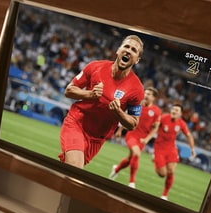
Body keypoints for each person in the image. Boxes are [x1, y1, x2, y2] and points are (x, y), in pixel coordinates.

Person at [58, 34, 145, 168]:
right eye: (126, 46)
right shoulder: (95, 67)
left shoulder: (137, 89)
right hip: (77, 123)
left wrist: (118, 111)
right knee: (75, 168)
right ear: (118, 50)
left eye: (134, 50)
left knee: (67, 170)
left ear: (137, 60)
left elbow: (133, 123)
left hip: (97, 138)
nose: (128, 50)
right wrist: (90, 94)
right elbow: (69, 90)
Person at [108, 86, 161, 187]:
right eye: (145, 93)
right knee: (136, 154)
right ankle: (132, 182)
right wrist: (120, 130)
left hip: (142, 139)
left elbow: (155, 128)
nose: (146, 95)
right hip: (132, 134)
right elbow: (127, 118)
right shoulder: (137, 105)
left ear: (154, 98)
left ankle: (116, 169)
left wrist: (147, 139)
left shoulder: (156, 111)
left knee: (130, 159)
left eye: (149, 94)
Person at [145, 102, 196, 200]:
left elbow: (189, 136)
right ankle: (155, 160)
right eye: (173, 109)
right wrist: (147, 135)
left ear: (180, 114)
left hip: (171, 148)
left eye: (176, 110)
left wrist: (192, 149)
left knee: (171, 171)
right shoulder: (163, 117)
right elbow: (154, 127)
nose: (174, 111)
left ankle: (164, 195)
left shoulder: (181, 123)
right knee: (162, 174)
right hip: (159, 148)